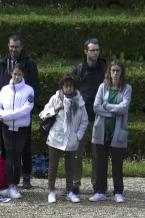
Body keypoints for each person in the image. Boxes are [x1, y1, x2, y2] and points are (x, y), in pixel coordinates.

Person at [0, 34, 38, 190]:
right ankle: (6, 178)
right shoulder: (1, 64)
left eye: (17, 47)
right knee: (6, 148)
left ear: (22, 47)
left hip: (22, 116)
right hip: (3, 115)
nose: (14, 49)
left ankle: (25, 176)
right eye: (11, 46)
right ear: (8, 46)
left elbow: (35, 88)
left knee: (25, 148)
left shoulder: (30, 65)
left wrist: (28, 111)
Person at [40, 74, 89, 203]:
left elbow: (84, 120)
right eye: (66, 86)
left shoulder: (80, 101)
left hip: (72, 139)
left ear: (74, 87)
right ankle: (51, 191)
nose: (68, 88)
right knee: (53, 166)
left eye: (71, 86)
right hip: (56, 137)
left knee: (70, 167)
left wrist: (78, 135)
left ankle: (69, 191)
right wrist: (56, 108)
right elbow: (43, 114)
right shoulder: (55, 98)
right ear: (62, 86)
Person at [90, 60, 131, 203]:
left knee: (117, 163)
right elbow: (96, 107)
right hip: (102, 129)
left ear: (121, 73)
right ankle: (100, 191)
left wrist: (106, 105)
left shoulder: (127, 88)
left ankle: (118, 191)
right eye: (113, 70)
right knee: (100, 162)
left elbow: (124, 108)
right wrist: (113, 112)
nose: (115, 73)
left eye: (117, 71)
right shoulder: (103, 87)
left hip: (117, 130)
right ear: (109, 72)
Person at [73, 40, 108, 199]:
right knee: (77, 153)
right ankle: (75, 183)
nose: (96, 53)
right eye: (92, 50)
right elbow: (72, 91)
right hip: (82, 117)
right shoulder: (78, 70)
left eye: (97, 50)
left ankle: (96, 183)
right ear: (85, 52)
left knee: (97, 154)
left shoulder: (105, 69)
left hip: (99, 117)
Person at [0, 67, 35, 199]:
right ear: (11, 73)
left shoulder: (29, 90)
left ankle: (14, 185)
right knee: (9, 157)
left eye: (19, 74)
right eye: (15, 74)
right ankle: (9, 185)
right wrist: (0, 114)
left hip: (21, 128)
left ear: (23, 75)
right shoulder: (5, 89)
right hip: (7, 127)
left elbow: (26, 109)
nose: (16, 77)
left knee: (17, 156)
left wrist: (7, 116)